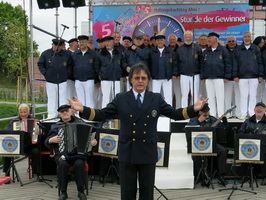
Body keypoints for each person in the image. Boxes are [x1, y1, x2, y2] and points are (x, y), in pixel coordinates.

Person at [68, 63, 208, 200]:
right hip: (127, 150)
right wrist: (83, 109)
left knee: (147, 193)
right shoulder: (121, 98)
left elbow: (176, 114)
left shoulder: (155, 98)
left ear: (148, 80)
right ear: (130, 80)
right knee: (127, 192)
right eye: (136, 78)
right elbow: (101, 114)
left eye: (143, 78)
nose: (140, 81)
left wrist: (193, 109)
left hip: (147, 150)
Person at [45, 104, 97, 200]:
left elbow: (91, 139)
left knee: (79, 164)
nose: (65, 113)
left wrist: (93, 143)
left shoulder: (81, 123)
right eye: (62, 112)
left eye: (67, 111)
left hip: (78, 155)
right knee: (63, 164)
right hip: (62, 155)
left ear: (71, 112)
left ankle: (81, 191)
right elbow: (46, 143)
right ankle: (63, 192)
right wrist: (51, 140)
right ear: (59, 115)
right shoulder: (55, 127)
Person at [187, 103, 228, 186]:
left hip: (211, 143)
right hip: (198, 145)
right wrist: (198, 121)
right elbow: (188, 128)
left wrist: (225, 123)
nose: (206, 113)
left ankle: (221, 175)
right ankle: (199, 176)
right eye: (204, 112)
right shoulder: (194, 119)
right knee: (195, 154)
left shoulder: (213, 119)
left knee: (223, 151)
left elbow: (223, 130)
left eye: (207, 111)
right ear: (199, 112)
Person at [238, 102, 266, 186]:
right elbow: (240, 133)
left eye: (261, 108)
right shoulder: (247, 121)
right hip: (249, 145)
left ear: (265, 110)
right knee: (243, 151)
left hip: (263, 146)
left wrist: (260, 143)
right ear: (254, 110)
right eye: (257, 107)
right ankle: (245, 175)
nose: (259, 109)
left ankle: (264, 177)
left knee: (263, 152)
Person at [3, 104, 42, 183]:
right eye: (21, 112)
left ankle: (39, 174)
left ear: (28, 112)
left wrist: (39, 132)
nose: (23, 114)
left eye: (25, 112)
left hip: (30, 146)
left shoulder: (35, 121)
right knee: (7, 152)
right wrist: (12, 131)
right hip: (17, 146)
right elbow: (6, 132)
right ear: (19, 112)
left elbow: (42, 133)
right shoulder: (14, 122)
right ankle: (7, 175)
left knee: (36, 151)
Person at [38, 38, 73, 118]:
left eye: (59, 46)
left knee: (63, 98)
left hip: (62, 80)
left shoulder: (66, 54)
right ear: (52, 45)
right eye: (55, 46)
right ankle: (51, 115)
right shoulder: (45, 54)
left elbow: (70, 65)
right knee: (52, 98)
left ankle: (63, 114)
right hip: (50, 80)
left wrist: (66, 73)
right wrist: (46, 73)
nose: (57, 48)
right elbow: (40, 64)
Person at [233, 31, 264, 120]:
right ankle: (243, 113)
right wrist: (235, 75)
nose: (247, 38)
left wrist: (260, 75)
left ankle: (251, 113)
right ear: (243, 38)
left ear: (251, 38)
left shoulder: (256, 49)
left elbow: (260, 62)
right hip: (242, 77)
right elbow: (235, 63)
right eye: (245, 37)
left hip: (254, 76)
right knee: (243, 95)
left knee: (253, 95)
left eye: (248, 37)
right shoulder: (238, 49)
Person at [201, 32, 231, 118]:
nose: (208, 40)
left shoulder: (223, 50)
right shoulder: (207, 51)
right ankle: (213, 114)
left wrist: (226, 76)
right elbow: (202, 65)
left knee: (220, 96)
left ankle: (221, 114)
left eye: (210, 38)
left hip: (219, 77)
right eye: (208, 38)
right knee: (210, 97)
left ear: (216, 39)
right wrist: (203, 77)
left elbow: (228, 64)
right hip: (208, 77)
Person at [72, 35, 99, 108]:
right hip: (78, 80)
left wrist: (97, 80)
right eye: (80, 42)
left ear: (87, 42)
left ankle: (89, 117)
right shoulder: (75, 54)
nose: (82, 44)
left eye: (83, 42)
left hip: (89, 80)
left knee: (89, 99)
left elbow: (96, 67)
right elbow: (72, 66)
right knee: (80, 99)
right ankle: (81, 116)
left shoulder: (93, 54)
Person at [149, 35, 177, 105]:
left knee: (168, 96)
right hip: (155, 77)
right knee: (155, 96)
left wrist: (174, 73)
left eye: (161, 40)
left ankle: (168, 112)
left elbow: (174, 63)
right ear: (155, 42)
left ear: (164, 41)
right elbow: (149, 63)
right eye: (158, 40)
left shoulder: (170, 51)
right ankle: (155, 111)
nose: (160, 42)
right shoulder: (152, 51)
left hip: (167, 77)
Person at [98, 36, 125, 108]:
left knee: (116, 97)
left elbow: (122, 64)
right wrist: (100, 75)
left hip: (116, 78)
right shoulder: (100, 54)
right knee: (106, 97)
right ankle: (104, 113)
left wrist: (121, 74)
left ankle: (115, 113)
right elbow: (97, 66)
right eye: (106, 41)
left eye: (109, 41)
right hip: (105, 78)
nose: (108, 43)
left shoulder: (118, 53)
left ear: (113, 42)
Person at [177, 30, 202, 107]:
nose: (188, 38)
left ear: (192, 37)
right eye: (186, 37)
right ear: (184, 38)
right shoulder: (180, 49)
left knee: (195, 94)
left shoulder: (197, 47)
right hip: (184, 74)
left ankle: (195, 111)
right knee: (184, 94)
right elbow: (177, 62)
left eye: (189, 37)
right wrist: (177, 74)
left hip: (195, 74)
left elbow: (201, 61)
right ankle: (184, 112)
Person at [225, 36, 240, 118]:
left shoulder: (240, 50)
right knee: (227, 97)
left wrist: (238, 75)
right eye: (229, 41)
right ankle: (227, 113)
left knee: (238, 97)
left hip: (237, 78)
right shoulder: (224, 50)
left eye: (233, 41)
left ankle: (237, 113)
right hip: (227, 79)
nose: (231, 43)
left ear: (236, 41)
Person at [168, 34, 181, 108]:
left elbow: (180, 63)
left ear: (176, 40)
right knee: (169, 94)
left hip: (177, 76)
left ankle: (178, 109)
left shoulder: (180, 49)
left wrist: (177, 74)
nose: (172, 41)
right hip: (169, 76)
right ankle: (169, 110)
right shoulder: (166, 49)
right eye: (170, 40)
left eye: (173, 39)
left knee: (178, 93)